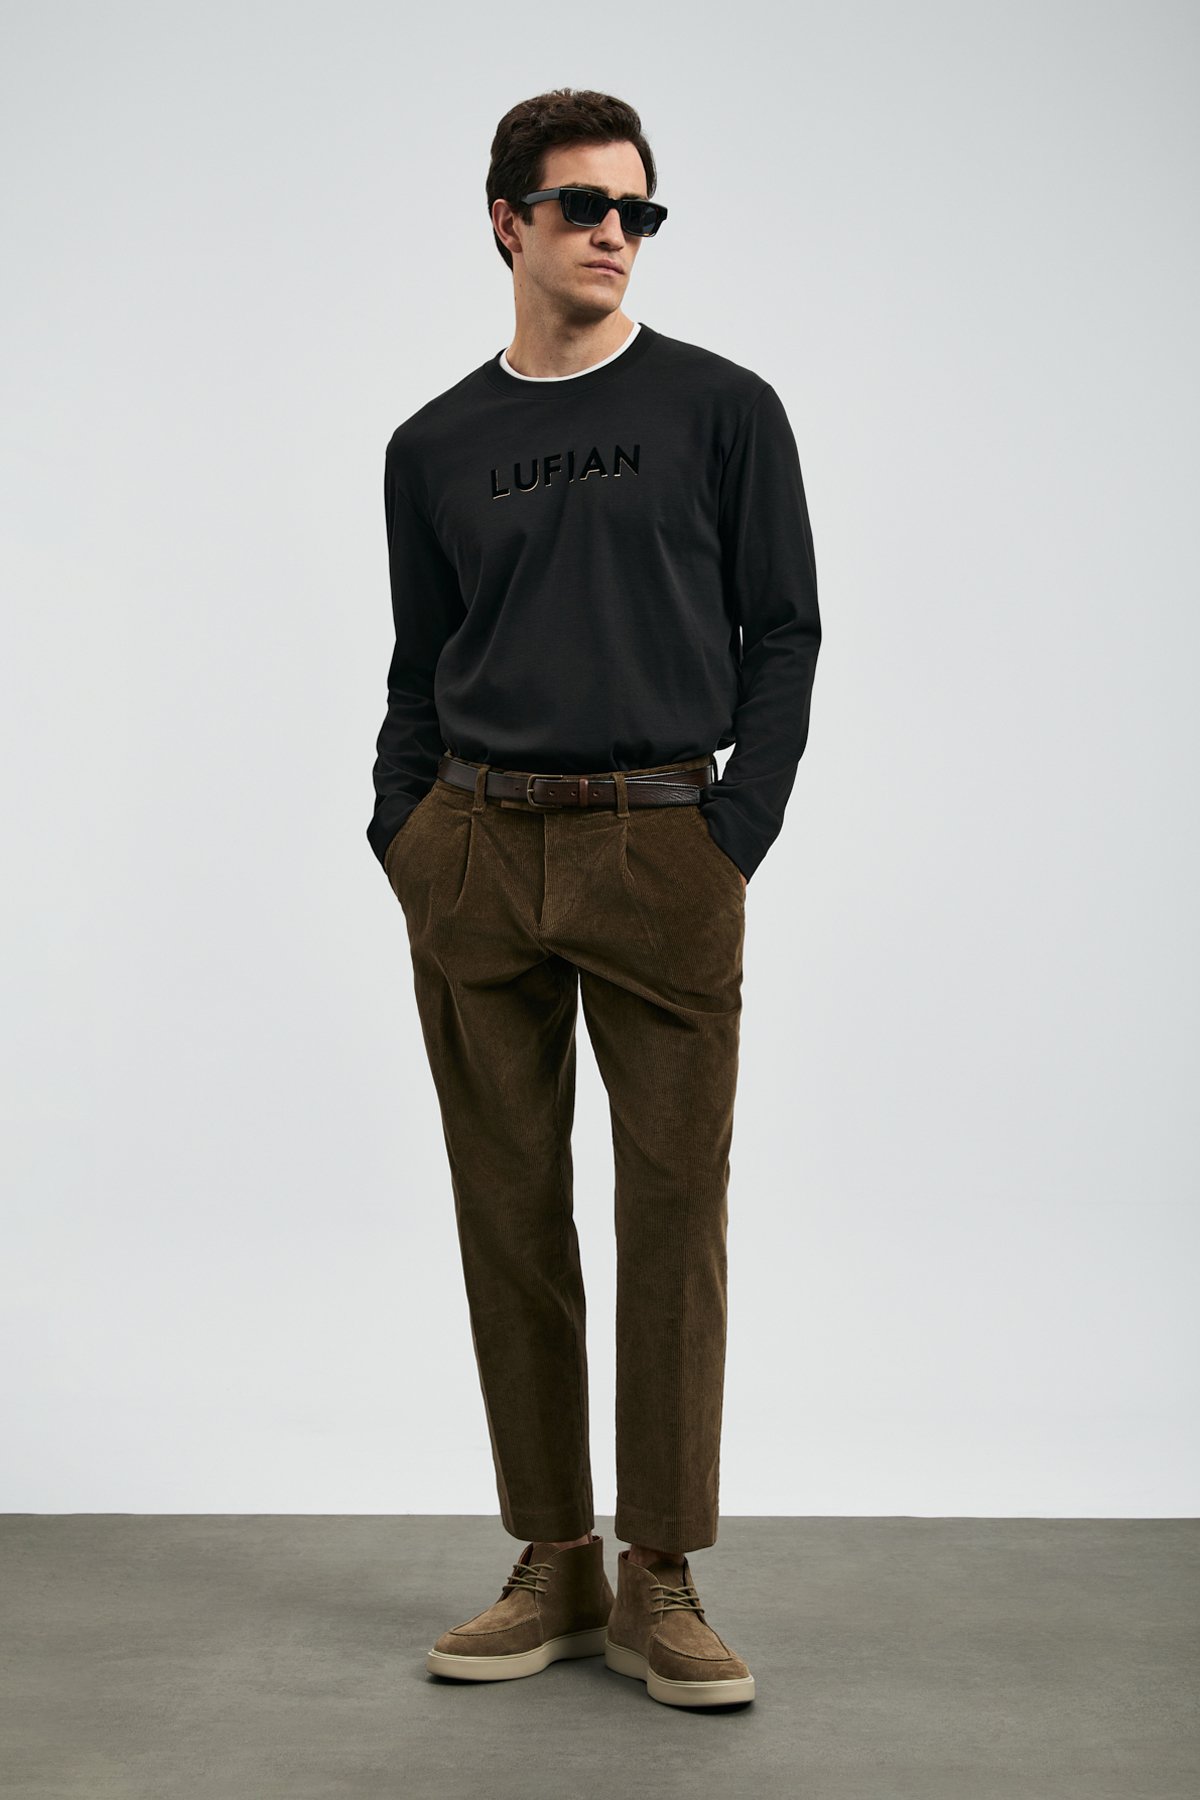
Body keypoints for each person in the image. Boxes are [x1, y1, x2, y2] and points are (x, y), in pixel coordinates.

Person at [367, 87, 820, 1710]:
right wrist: (404, 831)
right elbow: (420, 660)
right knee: (507, 1211)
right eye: (582, 206)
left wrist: (732, 830)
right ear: (507, 221)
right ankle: (554, 1559)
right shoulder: (433, 445)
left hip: (661, 846)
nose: (615, 233)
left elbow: (785, 631)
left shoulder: (722, 409)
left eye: (638, 210)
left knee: (672, 1216)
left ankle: (661, 1574)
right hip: (477, 850)